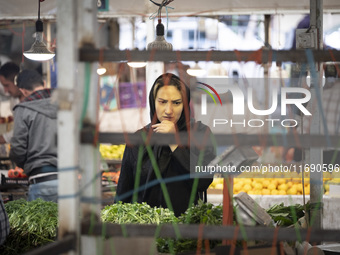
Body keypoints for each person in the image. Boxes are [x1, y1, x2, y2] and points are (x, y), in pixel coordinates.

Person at [115, 73, 216, 216]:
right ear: (153, 102)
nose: (169, 111)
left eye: (176, 103)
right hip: (144, 230)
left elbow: (202, 182)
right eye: (162, 102)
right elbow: (123, 193)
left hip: (185, 230)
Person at [9, 69, 58, 203]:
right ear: (43, 83)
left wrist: (25, 165)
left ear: (23, 91)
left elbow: (18, 149)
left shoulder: (23, 109)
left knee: (42, 223)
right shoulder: (65, 105)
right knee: (69, 224)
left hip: (42, 180)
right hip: (70, 179)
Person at [0, 62, 24, 144]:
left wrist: (4, 138)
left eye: (7, 85)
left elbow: (20, 130)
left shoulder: (32, 102)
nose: (6, 91)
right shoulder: (14, 100)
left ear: (17, 81)